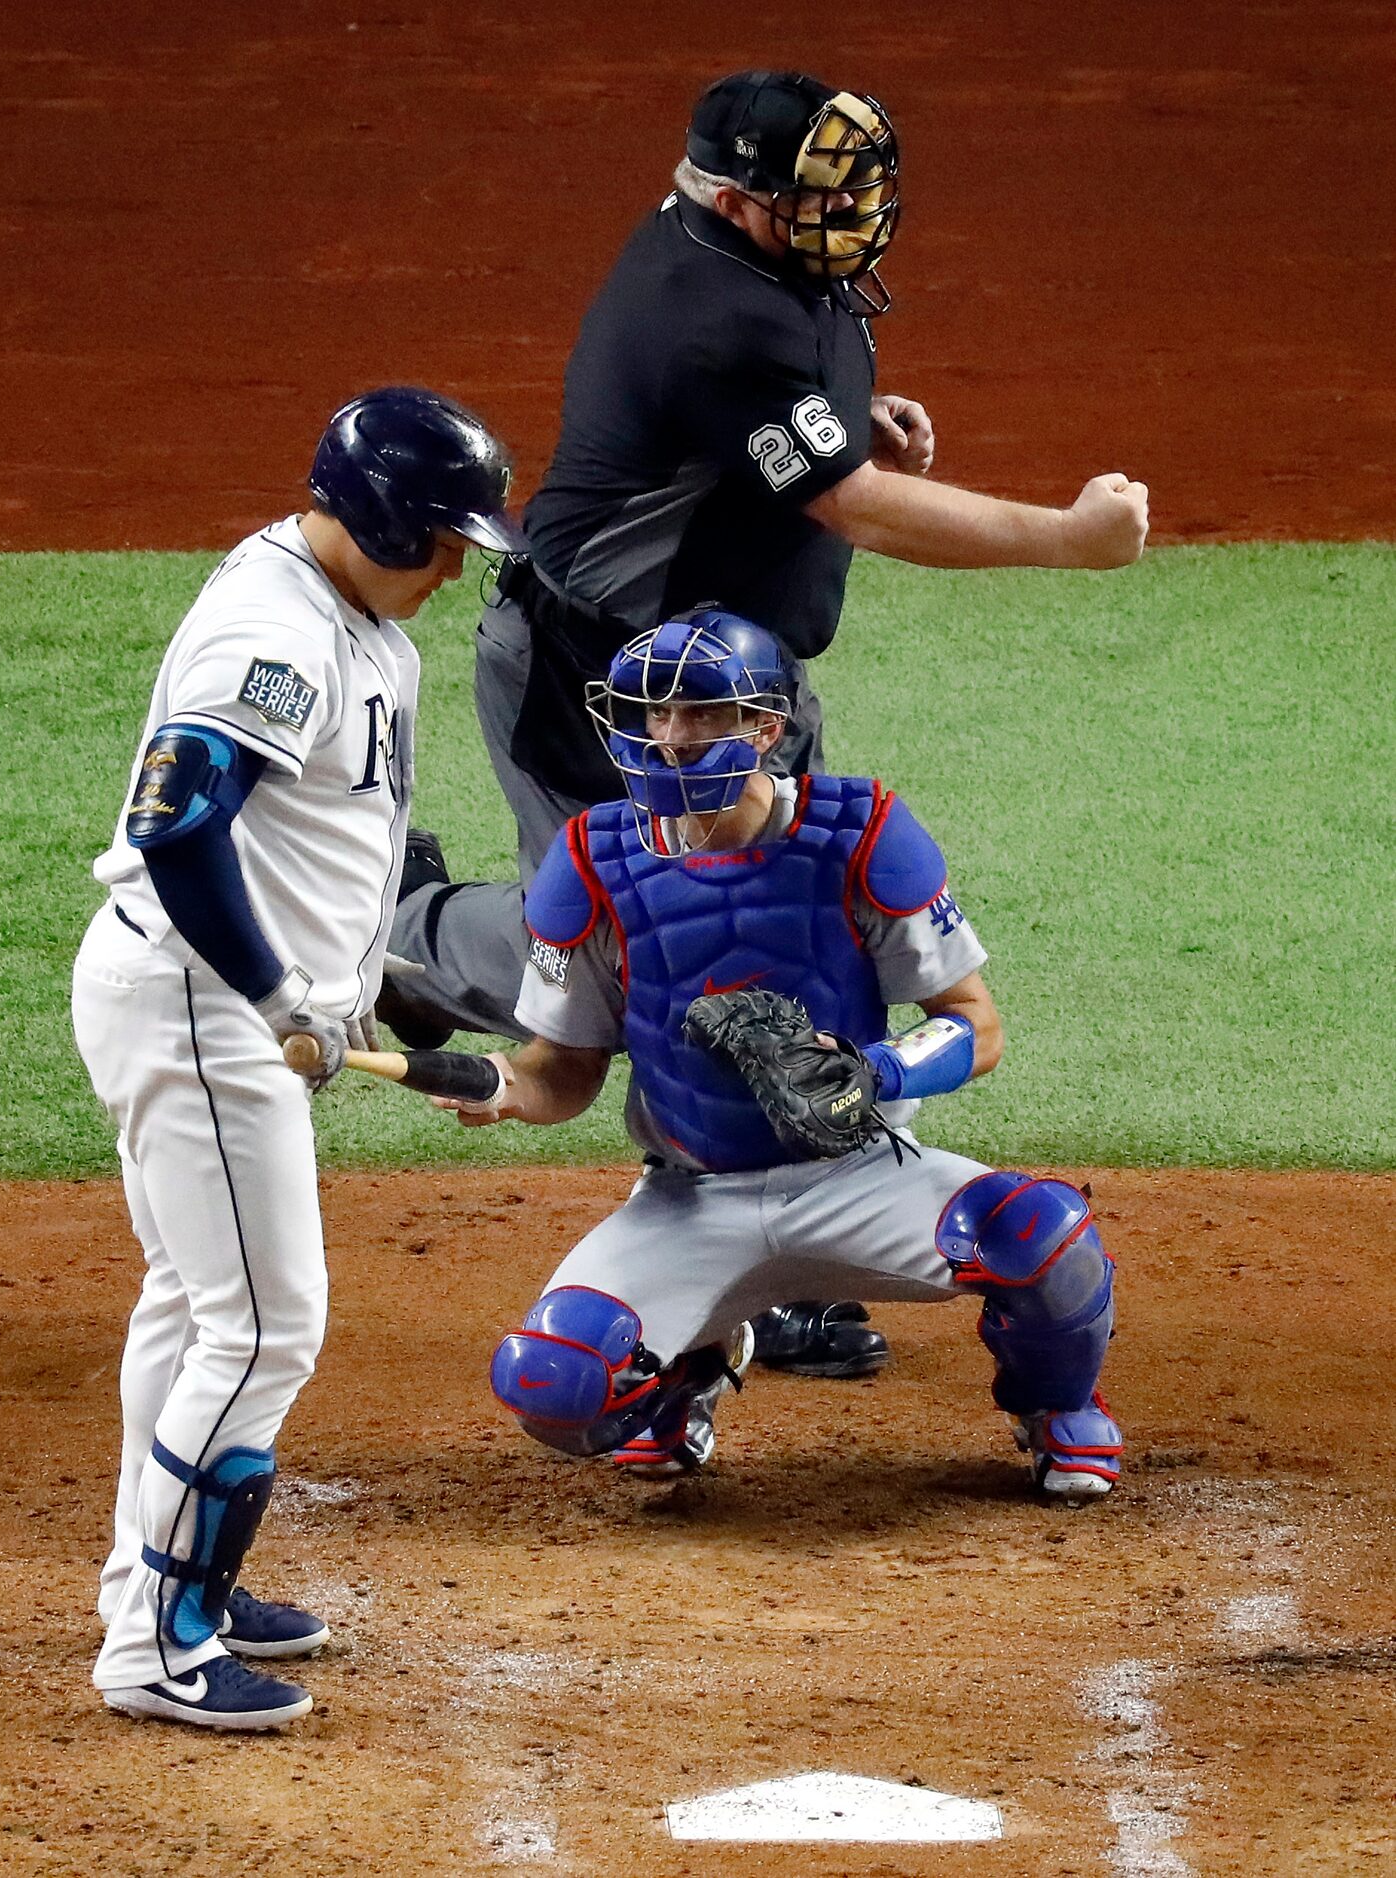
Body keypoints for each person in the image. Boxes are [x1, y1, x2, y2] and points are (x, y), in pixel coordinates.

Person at [384, 66, 1147, 1378]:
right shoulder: (710, 315)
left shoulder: (774, 266)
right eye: (820, 194)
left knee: (775, 922)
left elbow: (798, 428)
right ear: (740, 204)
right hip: (608, 676)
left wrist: (857, 420)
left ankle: (807, 1205)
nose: (853, 212)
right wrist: (1069, 540)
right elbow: (846, 504)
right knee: (644, 930)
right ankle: (408, 942)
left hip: (732, 680)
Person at [71, 387, 526, 1732]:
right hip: (202, 1006)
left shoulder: (357, 616)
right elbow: (180, 827)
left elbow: (314, 835)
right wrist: (280, 994)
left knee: (196, 1307)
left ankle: (155, 1583)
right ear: (382, 517)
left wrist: (357, 978)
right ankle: (159, 1642)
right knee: (267, 1323)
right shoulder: (273, 633)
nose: (455, 567)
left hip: (227, 1004)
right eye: (442, 539)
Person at [434, 611, 1123, 1495]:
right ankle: (689, 1366)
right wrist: (502, 1087)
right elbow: (562, 1074)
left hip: (862, 1178)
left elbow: (975, 1025)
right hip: (692, 1199)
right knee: (552, 1385)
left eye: (701, 716)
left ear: (765, 728)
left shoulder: (859, 833)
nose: (672, 740)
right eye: (655, 717)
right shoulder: (592, 863)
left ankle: (1055, 1406)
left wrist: (880, 1071)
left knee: (1043, 1239)